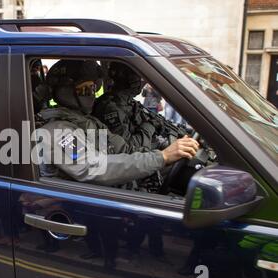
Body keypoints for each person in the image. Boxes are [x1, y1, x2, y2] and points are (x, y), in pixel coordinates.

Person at [36, 59, 199, 187]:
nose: (92, 95)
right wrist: (161, 157)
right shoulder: (57, 131)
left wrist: (161, 153)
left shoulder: (86, 121)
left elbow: (123, 148)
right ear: (65, 91)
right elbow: (95, 169)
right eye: (85, 90)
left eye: (93, 89)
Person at [93, 62, 165, 153]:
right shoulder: (110, 108)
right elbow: (128, 148)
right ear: (129, 79)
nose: (141, 81)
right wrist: (150, 126)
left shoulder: (130, 102)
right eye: (137, 77)